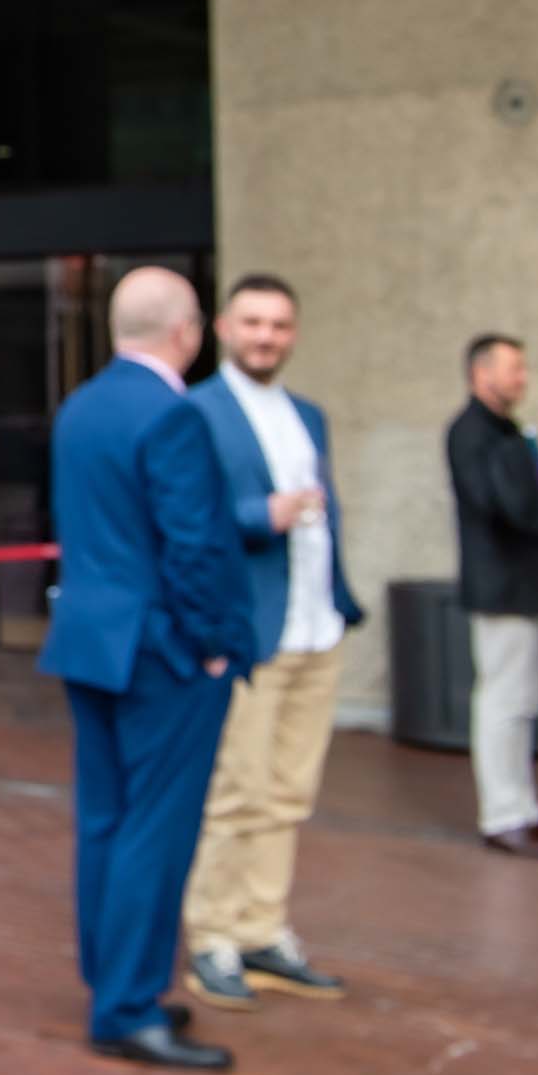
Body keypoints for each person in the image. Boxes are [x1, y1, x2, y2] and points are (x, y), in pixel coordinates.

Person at [36, 267, 252, 1071]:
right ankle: (126, 1007)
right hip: (163, 651)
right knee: (155, 831)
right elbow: (192, 544)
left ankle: (115, 982)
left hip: (91, 640)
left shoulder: (81, 408)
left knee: (106, 819)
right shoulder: (174, 415)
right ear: (187, 332)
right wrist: (215, 642)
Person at [180, 276, 359, 1011]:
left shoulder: (308, 415)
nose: (266, 337)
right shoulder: (196, 414)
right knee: (236, 792)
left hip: (317, 627)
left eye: (280, 325)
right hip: (252, 634)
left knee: (288, 793)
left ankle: (262, 929)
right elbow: (191, 518)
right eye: (253, 322)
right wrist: (262, 513)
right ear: (224, 327)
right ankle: (214, 938)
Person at [446, 333, 538, 858]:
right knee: (504, 701)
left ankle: (524, 809)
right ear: (481, 374)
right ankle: (503, 815)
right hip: (502, 587)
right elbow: (507, 505)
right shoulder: (470, 434)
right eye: (514, 369)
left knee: (523, 702)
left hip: (528, 585)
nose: (522, 379)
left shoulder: (506, 431)